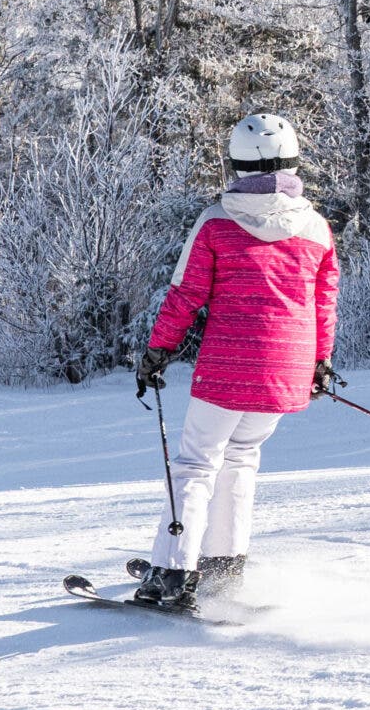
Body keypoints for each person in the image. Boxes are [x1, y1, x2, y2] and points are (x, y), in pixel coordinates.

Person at [132, 113, 340, 610]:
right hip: (284, 371)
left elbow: (185, 295)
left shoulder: (218, 221)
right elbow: (325, 303)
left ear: (236, 163)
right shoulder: (316, 227)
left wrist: (157, 351)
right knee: (241, 459)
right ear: (292, 162)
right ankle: (224, 569)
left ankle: (172, 573)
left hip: (227, 366)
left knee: (196, 464)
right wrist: (320, 364)